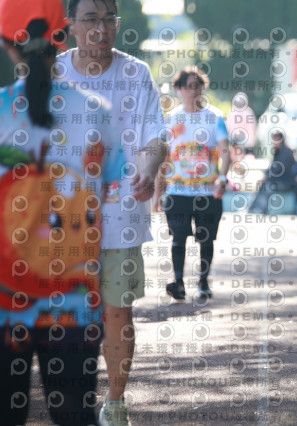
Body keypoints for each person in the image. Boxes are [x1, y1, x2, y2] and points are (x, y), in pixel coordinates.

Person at [0, 0, 120, 424]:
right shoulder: (97, 113)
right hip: (74, 304)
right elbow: (113, 198)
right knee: (74, 417)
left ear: (7, 44)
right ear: (63, 38)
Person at [59, 1, 167, 424]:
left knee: (117, 311)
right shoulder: (54, 74)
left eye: (109, 20)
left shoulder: (135, 73)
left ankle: (116, 402)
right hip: (62, 223)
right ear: (71, 25)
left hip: (120, 217)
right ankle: (71, 401)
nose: (101, 28)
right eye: (91, 19)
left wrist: (148, 170)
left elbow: (155, 135)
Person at [155, 66, 231, 300]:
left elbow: (225, 151)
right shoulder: (172, 120)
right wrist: (158, 192)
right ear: (179, 89)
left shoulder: (214, 117)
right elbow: (163, 158)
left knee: (206, 239)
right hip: (178, 191)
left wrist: (222, 178)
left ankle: (203, 282)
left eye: (197, 86)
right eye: (188, 87)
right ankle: (178, 282)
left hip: (207, 192)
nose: (193, 91)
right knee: (178, 237)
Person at [248, 130, 296, 214]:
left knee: (268, 187)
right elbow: (273, 166)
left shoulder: (286, 152)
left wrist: (266, 176)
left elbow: (278, 169)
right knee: (263, 185)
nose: (274, 142)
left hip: (286, 183)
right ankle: (254, 208)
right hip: (277, 181)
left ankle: (261, 209)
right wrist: (265, 175)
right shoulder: (278, 151)